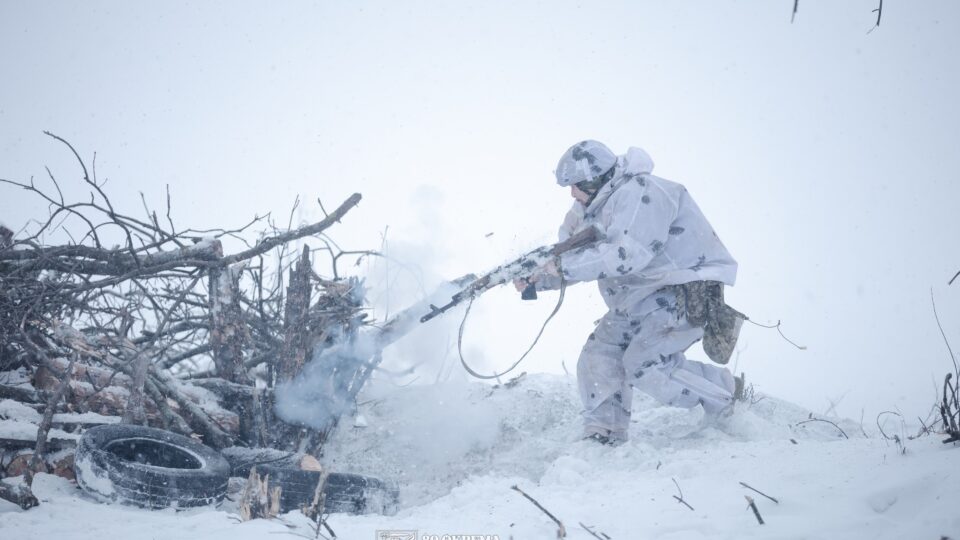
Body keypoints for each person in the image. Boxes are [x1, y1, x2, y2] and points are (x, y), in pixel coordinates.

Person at [518, 140, 745, 445]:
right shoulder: (586, 210)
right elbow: (571, 258)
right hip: (637, 299)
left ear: (594, 179)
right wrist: (538, 278)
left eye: (576, 185)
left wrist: (559, 268)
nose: (571, 193)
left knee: (644, 365)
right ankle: (604, 432)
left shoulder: (642, 192)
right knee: (598, 356)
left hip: (682, 289)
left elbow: (625, 256)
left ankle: (727, 398)